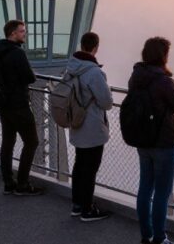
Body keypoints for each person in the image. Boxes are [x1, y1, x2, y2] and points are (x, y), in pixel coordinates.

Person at [128, 37, 174, 243]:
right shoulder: (163, 81)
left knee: (145, 187)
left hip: (143, 139)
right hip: (164, 142)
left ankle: (147, 234)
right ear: (163, 56)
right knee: (162, 192)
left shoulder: (136, 76)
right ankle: (160, 238)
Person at [66, 31, 113, 222]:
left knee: (79, 165)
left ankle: (77, 205)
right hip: (92, 126)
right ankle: (87, 209)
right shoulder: (94, 72)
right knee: (90, 168)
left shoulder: (71, 67)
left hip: (76, 123)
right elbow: (106, 102)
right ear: (95, 48)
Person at [0, 19, 44, 196]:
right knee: (32, 142)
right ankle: (22, 183)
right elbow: (30, 77)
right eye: (22, 31)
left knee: (8, 142)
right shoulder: (17, 53)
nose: (25, 34)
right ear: (13, 33)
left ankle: (8, 182)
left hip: (3, 104)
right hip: (19, 105)